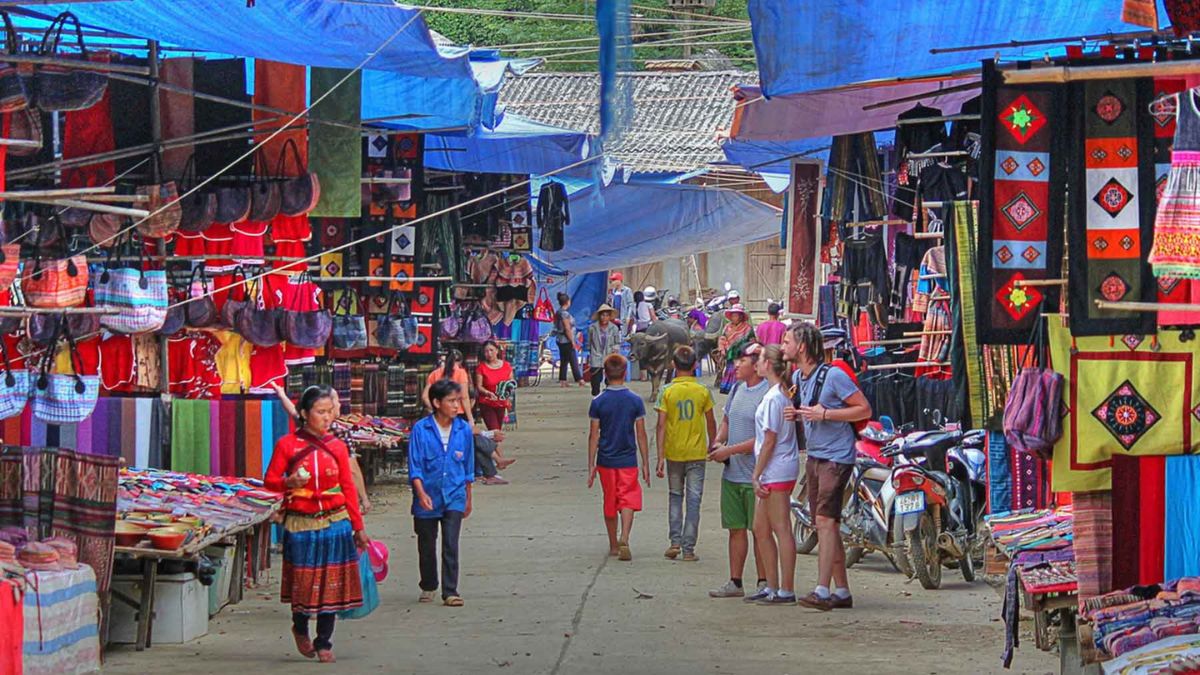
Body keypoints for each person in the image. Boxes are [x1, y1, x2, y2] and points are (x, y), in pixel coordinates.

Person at [264, 385, 369, 663]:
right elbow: (269, 482)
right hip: (301, 524)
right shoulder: (287, 445)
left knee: (331, 586)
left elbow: (347, 487)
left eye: (329, 412)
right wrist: (289, 482)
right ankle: (300, 627)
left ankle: (324, 641)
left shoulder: (337, 445)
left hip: (336, 524)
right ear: (303, 414)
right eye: (320, 412)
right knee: (304, 584)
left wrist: (358, 527)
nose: (327, 418)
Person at [782, 322, 872, 611]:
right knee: (826, 524)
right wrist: (799, 415)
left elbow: (864, 409)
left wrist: (826, 414)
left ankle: (822, 589)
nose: (784, 346)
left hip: (836, 457)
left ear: (802, 346)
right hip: (817, 455)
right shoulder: (799, 376)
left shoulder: (833, 375)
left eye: (787, 341)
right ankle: (842, 591)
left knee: (825, 521)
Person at [707, 343, 770, 598]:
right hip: (732, 474)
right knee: (735, 529)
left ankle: (764, 581)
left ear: (756, 365)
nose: (735, 366)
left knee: (760, 532)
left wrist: (729, 450)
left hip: (757, 475)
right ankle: (735, 581)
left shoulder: (769, 394)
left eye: (740, 361)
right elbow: (726, 420)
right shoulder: (736, 390)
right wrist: (718, 442)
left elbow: (765, 439)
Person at [408, 379, 475, 607]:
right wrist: (420, 493)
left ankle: (450, 591)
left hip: (454, 494)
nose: (457, 406)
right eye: (451, 401)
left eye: (458, 401)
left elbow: (468, 467)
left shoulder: (463, 429)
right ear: (437, 403)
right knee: (426, 544)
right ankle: (428, 584)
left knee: (450, 543)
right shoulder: (421, 429)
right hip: (427, 496)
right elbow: (415, 466)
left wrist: (468, 498)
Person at [745, 344, 800, 605]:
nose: (756, 362)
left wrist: (756, 474)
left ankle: (785, 588)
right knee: (761, 528)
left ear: (769, 364)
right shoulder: (778, 395)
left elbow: (769, 440)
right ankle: (772, 585)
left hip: (775, 467)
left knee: (780, 527)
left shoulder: (774, 398)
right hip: (775, 467)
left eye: (760, 359)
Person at [271, 382, 371, 514]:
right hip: (333, 505)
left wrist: (282, 395)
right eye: (336, 400)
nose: (339, 404)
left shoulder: (309, 424)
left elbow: (294, 412)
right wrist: (363, 497)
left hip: (305, 510)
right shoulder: (339, 432)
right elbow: (352, 470)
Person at [654, 346, 715, 562]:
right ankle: (688, 549)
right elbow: (710, 421)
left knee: (675, 496)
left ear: (673, 365)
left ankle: (675, 542)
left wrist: (660, 456)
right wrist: (713, 445)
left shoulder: (666, 391)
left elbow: (661, 425)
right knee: (694, 500)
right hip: (697, 453)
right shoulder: (703, 391)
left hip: (674, 453)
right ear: (695, 366)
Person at [587, 354, 650, 561]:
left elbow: (593, 435)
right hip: (628, 460)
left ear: (605, 374)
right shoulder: (634, 401)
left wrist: (591, 465)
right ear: (625, 373)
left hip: (606, 460)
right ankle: (625, 536)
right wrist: (646, 463)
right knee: (628, 498)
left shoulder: (598, 402)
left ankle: (614, 545)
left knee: (610, 501)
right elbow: (641, 434)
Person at [422, 349, 475, 426]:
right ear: (460, 362)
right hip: (457, 414)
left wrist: (435, 408)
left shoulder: (434, 373)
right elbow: (464, 397)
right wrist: (470, 419)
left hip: (439, 414)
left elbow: (424, 397)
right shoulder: (461, 373)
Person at [717, 304, 754, 394]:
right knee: (730, 369)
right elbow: (722, 338)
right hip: (730, 354)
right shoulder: (727, 327)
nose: (734, 317)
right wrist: (722, 349)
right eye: (733, 315)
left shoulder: (747, 328)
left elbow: (752, 341)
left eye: (736, 315)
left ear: (741, 316)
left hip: (742, 354)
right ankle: (728, 387)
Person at [586, 304, 622, 397]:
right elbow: (589, 343)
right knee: (595, 380)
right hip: (596, 355)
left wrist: (615, 349)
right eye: (603, 315)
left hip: (609, 355)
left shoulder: (614, 328)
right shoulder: (592, 328)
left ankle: (608, 397)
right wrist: (590, 354)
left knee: (610, 378)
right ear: (599, 316)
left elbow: (617, 342)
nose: (605, 317)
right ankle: (596, 397)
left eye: (607, 315)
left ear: (610, 316)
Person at [554, 292, 584, 388]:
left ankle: (563, 380)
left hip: (560, 339)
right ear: (568, 302)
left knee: (564, 360)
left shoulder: (558, 312)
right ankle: (579, 379)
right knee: (572, 359)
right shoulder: (564, 314)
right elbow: (567, 328)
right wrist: (572, 341)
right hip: (566, 340)